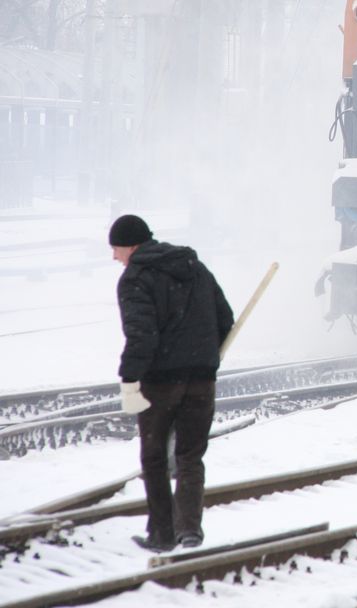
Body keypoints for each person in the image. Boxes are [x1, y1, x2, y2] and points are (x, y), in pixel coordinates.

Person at [110, 214, 234, 553]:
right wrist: (206, 358)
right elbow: (226, 318)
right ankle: (190, 532)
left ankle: (162, 535)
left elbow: (142, 336)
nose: (114, 257)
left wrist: (130, 379)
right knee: (191, 457)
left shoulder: (135, 279)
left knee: (154, 458)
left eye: (116, 249)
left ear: (131, 246)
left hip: (160, 384)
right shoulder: (195, 268)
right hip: (201, 381)